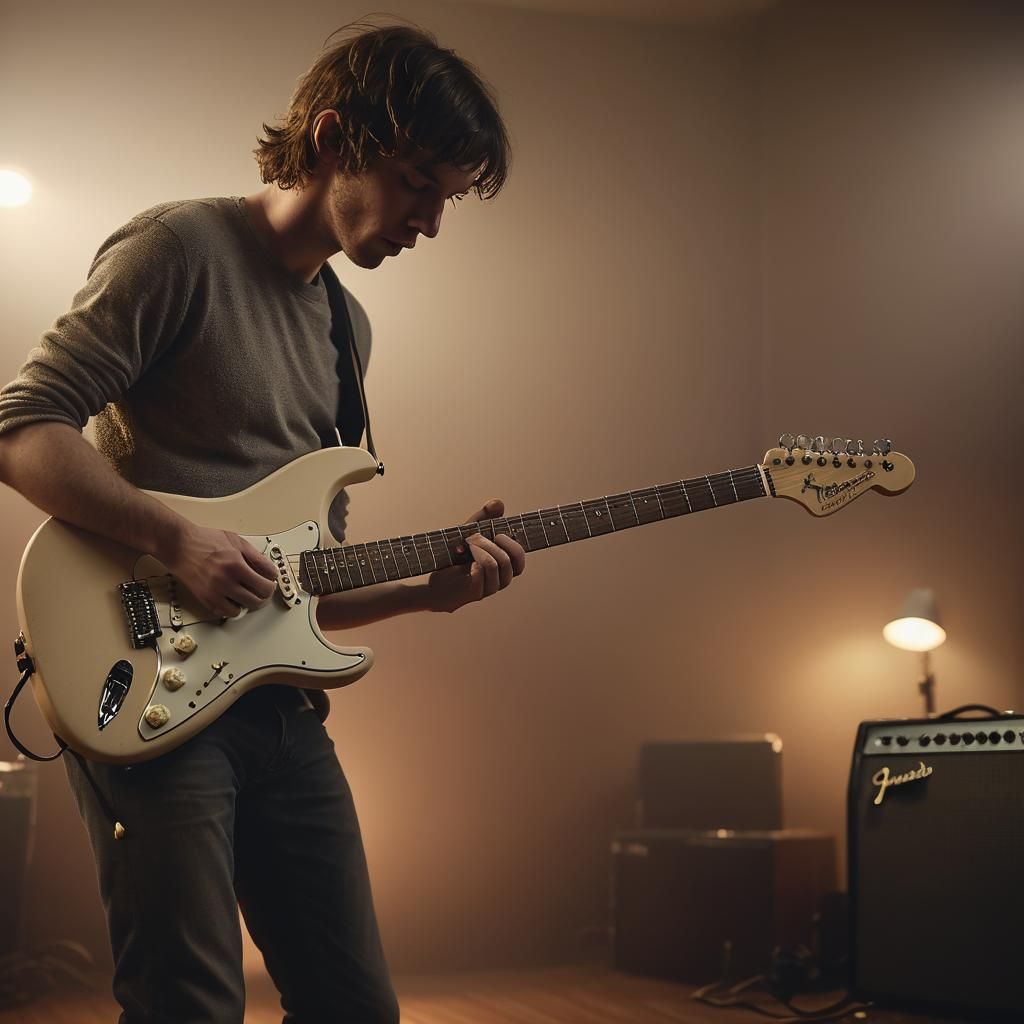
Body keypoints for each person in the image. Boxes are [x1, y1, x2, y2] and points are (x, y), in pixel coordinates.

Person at [0, 21, 525, 1024]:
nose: (429, 222)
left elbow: (299, 579)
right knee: (189, 1004)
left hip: (282, 714)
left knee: (353, 1005)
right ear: (331, 138)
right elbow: (22, 429)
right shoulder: (178, 250)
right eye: (417, 182)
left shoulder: (346, 329)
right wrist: (174, 539)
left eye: (447, 199)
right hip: (147, 691)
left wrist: (429, 594)